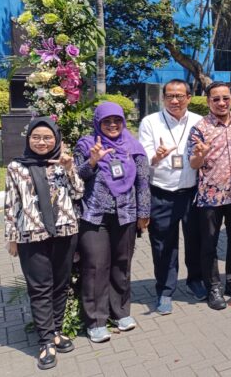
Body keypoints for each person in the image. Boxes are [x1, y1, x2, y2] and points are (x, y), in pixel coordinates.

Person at [4, 118, 83, 370]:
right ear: (28, 139)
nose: (41, 142)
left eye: (47, 137)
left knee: (60, 285)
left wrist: (70, 168)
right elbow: (11, 205)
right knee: (39, 288)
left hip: (65, 232)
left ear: (56, 139)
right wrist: (11, 237)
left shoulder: (63, 163)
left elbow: (79, 193)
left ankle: (57, 331)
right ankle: (45, 341)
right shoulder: (17, 167)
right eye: (36, 137)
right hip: (31, 234)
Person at [75, 102, 150, 343]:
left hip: (126, 214)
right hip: (94, 216)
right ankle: (95, 321)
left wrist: (143, 213)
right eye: (107, 121)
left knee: (122, 264)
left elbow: (143, 182)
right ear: (98, 122)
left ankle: (120, 313)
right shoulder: (87, 145)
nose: (112, 125)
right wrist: (92, 162)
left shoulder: (133, 146)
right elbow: (75, 178)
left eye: (117, 120)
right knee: (96, 267)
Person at [138, 79, 205, 314]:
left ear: (189, 96)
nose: (174, 100)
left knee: (195, 241)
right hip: (161, 194)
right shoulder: (150, 122)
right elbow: (143, 158)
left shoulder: (199, 121)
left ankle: (195, 280)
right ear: (163, 98)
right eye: (169, 96)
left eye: (179, 96)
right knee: (163, 245)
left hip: (192, 194)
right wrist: (156, 156)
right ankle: (165, 291)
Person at [188, 81, 231, 310]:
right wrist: (200, 155)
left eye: (225, 98)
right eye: (216, 99)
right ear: (208, 101)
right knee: (209, 244)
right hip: (210, 198)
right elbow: (193, 163)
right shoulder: (200, 128)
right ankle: (213, 287)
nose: (221, 103)